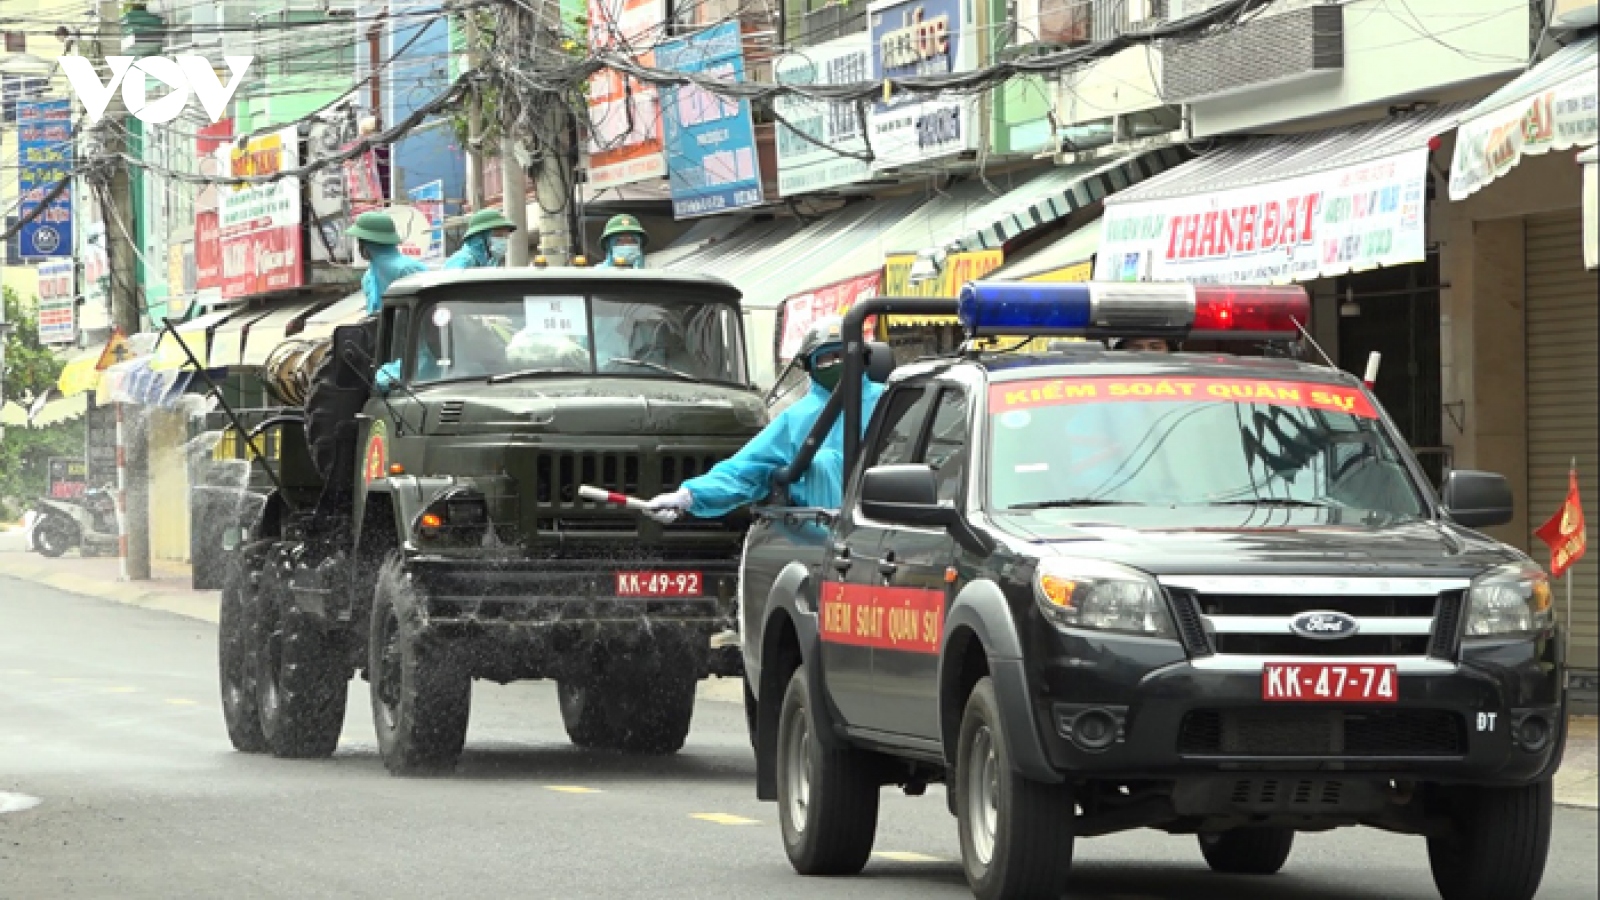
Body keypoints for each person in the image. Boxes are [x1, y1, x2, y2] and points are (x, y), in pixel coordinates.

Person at [643, 317, 884, 522]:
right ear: (809, 365)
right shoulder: (796, 418)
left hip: (894, 523)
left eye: (844, 355)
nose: (837, 364)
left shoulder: (890, 399)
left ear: (863, 358)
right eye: (827, 358)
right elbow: (745, 470)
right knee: (823, 462)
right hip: (827, 537)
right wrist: (689, 497)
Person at [347, 211, 428, 315]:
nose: (359, 248)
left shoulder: (407, 270)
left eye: (361, 242)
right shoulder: (369, 277)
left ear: (368, 245)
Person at [444, 208, 517, 270]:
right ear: (480, 237)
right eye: (499, 235)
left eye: (506, 236)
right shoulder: (462, 261)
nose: (503, 240)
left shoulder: (490, 263)